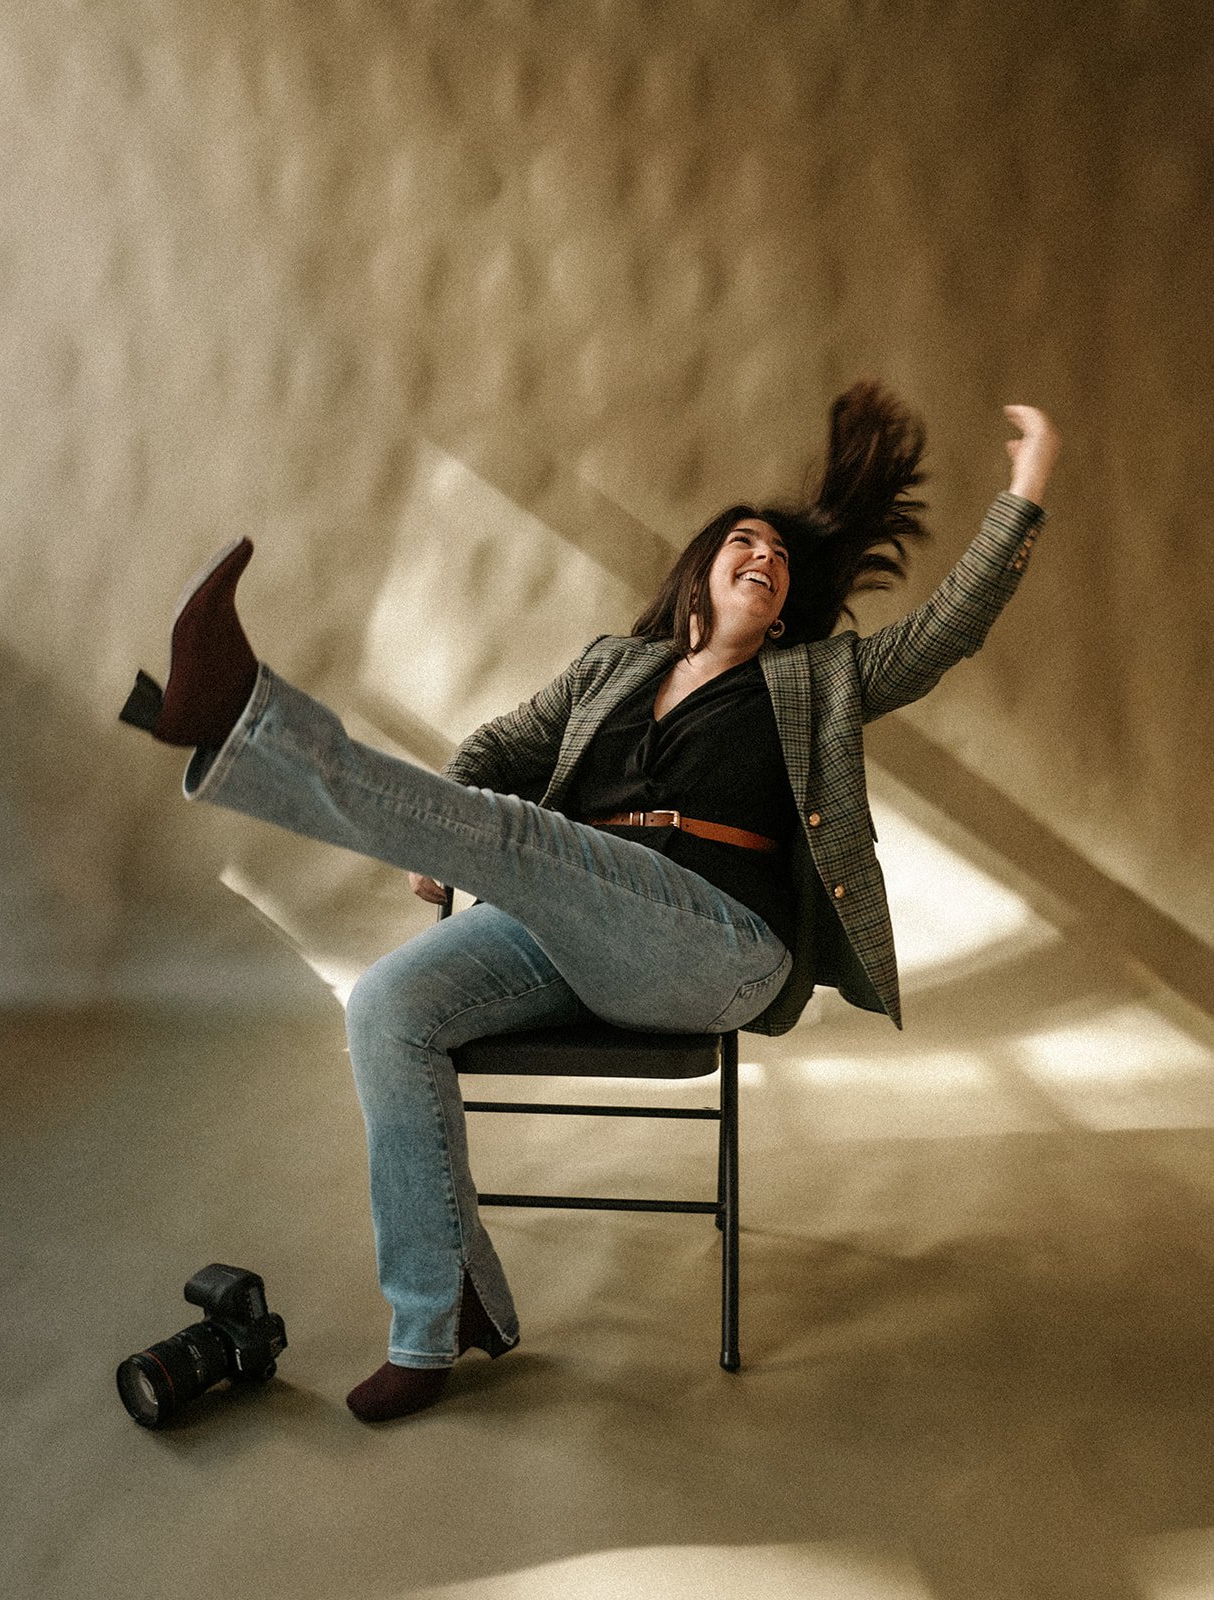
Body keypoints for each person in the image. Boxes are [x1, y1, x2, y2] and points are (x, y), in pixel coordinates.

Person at [119, 381, 1060, 1422]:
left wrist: (1028, 484)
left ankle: (244, 720)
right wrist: (434, 844)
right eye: (746, 541)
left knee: (530, 838)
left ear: (786, 608)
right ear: (699, 570)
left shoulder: (816, 680)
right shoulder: (609, 667)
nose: (767, 557)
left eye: (783, 561)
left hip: (714, 945)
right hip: (568, 928)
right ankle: (439, 1318)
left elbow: (944, 632)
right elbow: (495, 755)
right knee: (385, 1007)